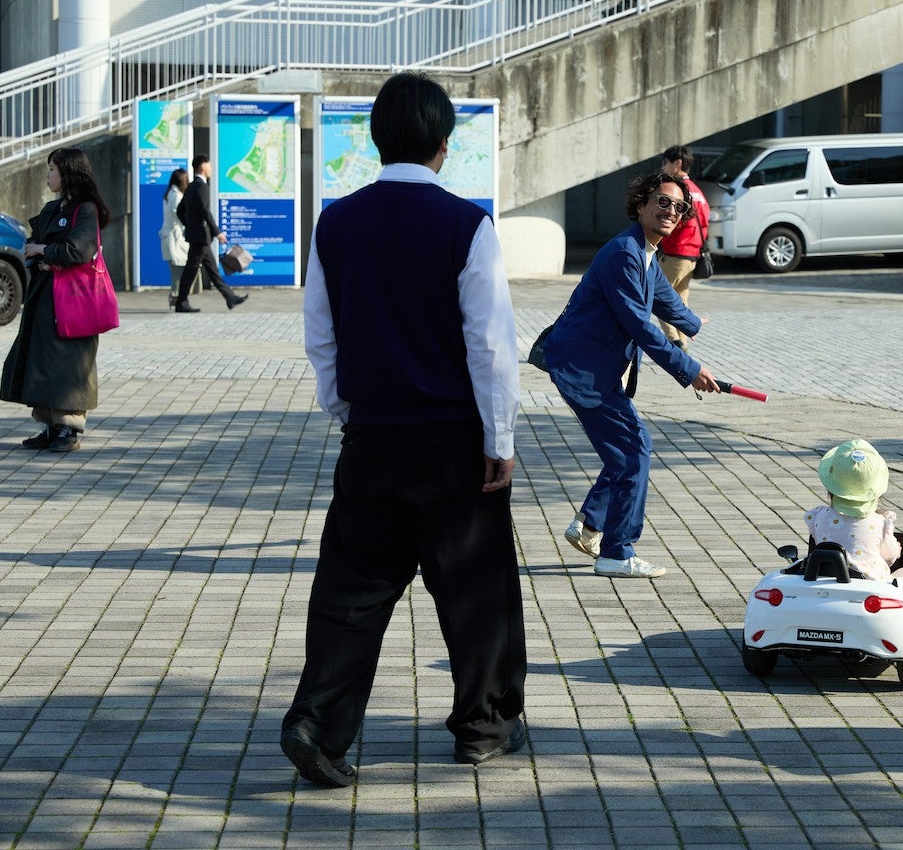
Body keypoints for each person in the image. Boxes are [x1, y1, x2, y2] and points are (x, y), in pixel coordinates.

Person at [281, 71, 527, 786]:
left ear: (376, 139)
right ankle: (484, 727)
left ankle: (318, 727)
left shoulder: (337, 222)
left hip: (373, 435)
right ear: (444, 145)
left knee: (349, 594)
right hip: (454, 441)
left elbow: (319, 334)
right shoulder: (466, 226)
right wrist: (499, 440)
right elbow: (490, 345)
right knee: (476, 589)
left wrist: (346, 410)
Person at [545, 170, 722, 580]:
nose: (671, 211)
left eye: (679, 207)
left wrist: (694, 323)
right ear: (640, 204)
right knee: (634, 445)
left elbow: (664, 300)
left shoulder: (644, 252)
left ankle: (591, 524)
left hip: (593, 366)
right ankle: (616, 552)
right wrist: (689, 369)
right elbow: (641, 326)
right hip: (582, 369)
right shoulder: (625, 253)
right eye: (662, 201)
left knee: (625, 451)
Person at [0, 147, 112, 454]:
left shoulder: (84, 209)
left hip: (72, 299)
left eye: (52, 169)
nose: (48, 175)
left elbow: (80, 250)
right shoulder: (55, 208)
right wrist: (39, 253)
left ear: (68, 172)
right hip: (46, 295)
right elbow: (37, 242)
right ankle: (51, 424)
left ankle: (69, 427)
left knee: (69, 360)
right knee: (43, 357)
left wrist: (44, 252)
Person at [805, 439, 901, 582]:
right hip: (871, 587)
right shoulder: (881, 524)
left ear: (832, 486)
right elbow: (890, 557)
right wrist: (897, 548)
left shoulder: (818, 517)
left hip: (826, 581)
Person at [174, 154, 247, 313]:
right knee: (191, 269)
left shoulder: (192, 186)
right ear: (202, 167)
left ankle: (230, 297)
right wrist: (218, 232)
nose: (211, 168)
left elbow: (180, 211)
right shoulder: (202, 187)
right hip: (201, 237)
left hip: (198, 236)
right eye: (209, 165)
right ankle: (181, 302)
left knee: (211, 270)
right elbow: (206, 211)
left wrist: (190, 225)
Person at [657, 145, 711, 351]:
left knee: (659, 298)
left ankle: (675, 342)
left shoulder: (678, 191)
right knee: (681, 300)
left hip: (676, 252)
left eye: (665, 163)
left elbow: (672, 221)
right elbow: (706, 222)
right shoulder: (698, 192)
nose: (663, 167)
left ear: (677, 164)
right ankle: (683, 342)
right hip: (693, 255)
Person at [158, 167, 191, 309]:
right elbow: (179, 215)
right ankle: (176, 298)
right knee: (178, 270)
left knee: (177, 270)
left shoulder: (169, 194)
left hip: (170, 236)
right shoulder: (176, 196)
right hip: (174, 237)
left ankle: (177, 298)